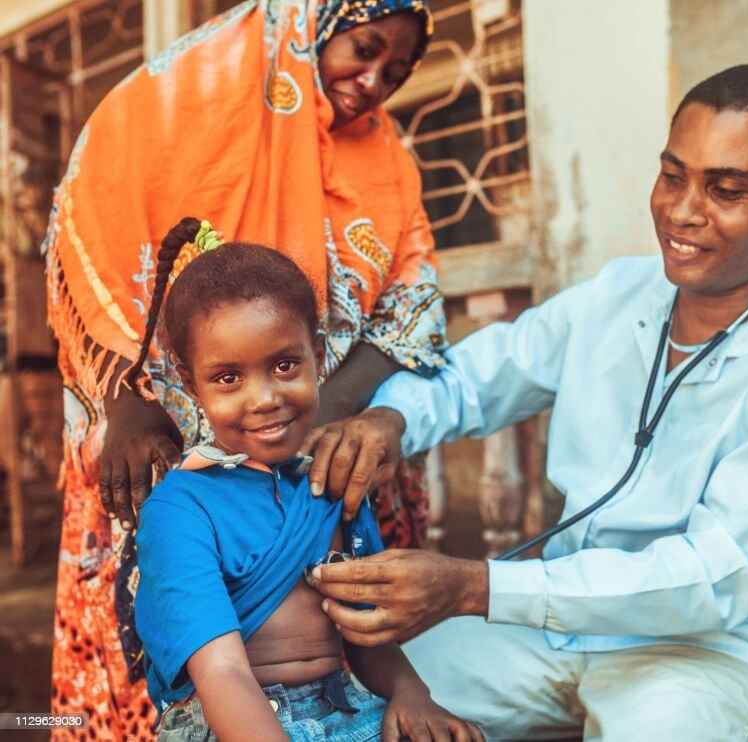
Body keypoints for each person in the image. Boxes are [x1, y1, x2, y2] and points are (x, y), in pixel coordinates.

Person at [307, 63, 748, 740]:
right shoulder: (618, 294)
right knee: (334, 693)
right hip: (554, 634)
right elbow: (474, 377)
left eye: (725, 190)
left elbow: (716, 577)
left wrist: (475, 587)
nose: (681, 210)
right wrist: (391, 417)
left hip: (716, 658)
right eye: (673, 175)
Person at [43, 1, 447, 738]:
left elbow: (411, 307)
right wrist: (124, 404)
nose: (373, 81)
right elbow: (90, 244)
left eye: (397, 70)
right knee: (192, 654)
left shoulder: (385, 156)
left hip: (318, 450)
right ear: (314, 26)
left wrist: (320, 411)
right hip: (164, 448)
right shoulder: (167, 106)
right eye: (362, 50)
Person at [131, 219, 479, 742]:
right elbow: (223, 674)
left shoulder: (331, 478)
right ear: (189, 381)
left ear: (317, 354)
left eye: (285, 365)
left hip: (342, 705)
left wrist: (412, 693)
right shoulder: (181, 511)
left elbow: (363, 629)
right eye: (229, 378)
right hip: (231, 720)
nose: (264, 397)